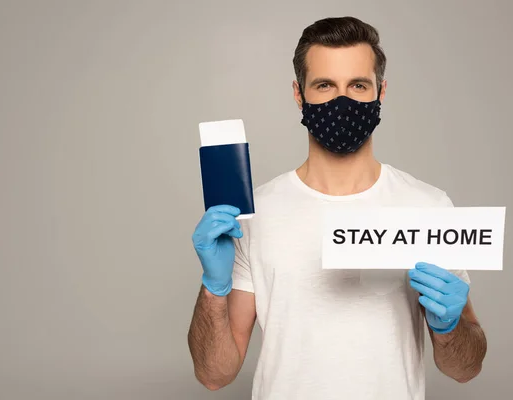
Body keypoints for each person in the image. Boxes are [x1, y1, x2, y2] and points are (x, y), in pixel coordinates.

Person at [187, 16, 487, 400]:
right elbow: (215, 374)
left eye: (358, 85)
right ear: (299, 94)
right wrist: (213, 288)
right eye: (324, 85)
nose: (341, 100)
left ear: (381, 92)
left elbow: (465, 369)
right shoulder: (255, 213)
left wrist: (450, 327)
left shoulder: (427, 207)